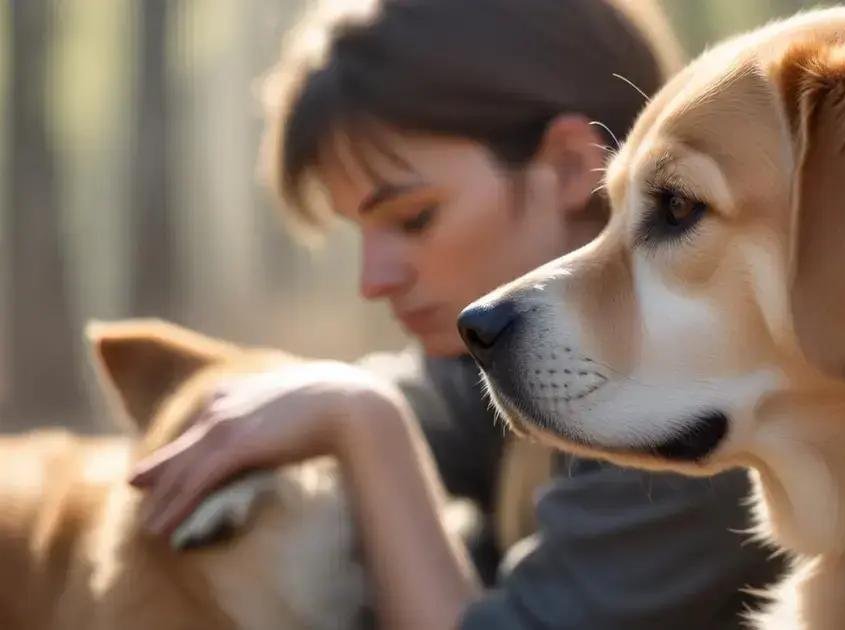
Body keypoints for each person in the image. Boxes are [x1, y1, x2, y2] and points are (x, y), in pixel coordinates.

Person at [128, 0, 783, 628]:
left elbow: (380, 414)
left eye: (414, 219)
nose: (373, 281)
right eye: (358, 233)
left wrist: (363, 424)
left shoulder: (694, 403)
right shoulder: (504, 348)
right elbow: (412, 399)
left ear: (568, 166)